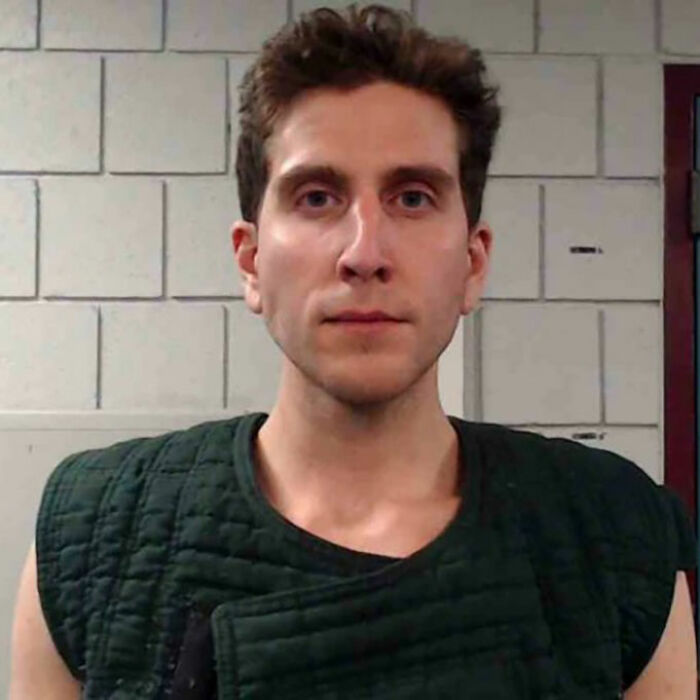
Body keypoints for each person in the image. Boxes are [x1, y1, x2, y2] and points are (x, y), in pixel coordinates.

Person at [9, 4, 697, 699]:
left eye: (413, 198)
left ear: (473, 262)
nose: (365, 253)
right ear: (251, 262)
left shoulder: (615, 535)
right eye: (316, 197)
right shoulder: (93, 533)